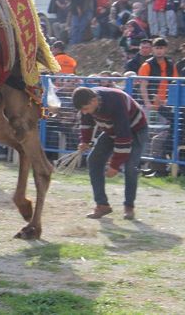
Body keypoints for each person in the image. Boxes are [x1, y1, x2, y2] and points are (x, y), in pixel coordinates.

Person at [73, 86, 148, 220]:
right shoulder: (87, 103)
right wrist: (85, 141)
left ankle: (129, 207)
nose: (84, 112)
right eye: (81, 110)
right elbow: (86, 123)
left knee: (131, 167)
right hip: (112, 130)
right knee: (94, 160)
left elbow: (123, 137)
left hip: (135, 129)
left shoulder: (116, 102)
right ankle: (102, 205)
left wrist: (115, 165)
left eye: (85, 109)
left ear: (94, 101)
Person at [137, 37, 178, 111]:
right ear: (152, 49)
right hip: (150, 105)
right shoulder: (147, 65)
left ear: (166, 49)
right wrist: (148, 103)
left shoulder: (171, 65)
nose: (159, 51)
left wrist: (169, 101)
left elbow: (174, 84)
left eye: (161, 48)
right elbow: (143, 86)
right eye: (157, 48)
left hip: (166, 105)